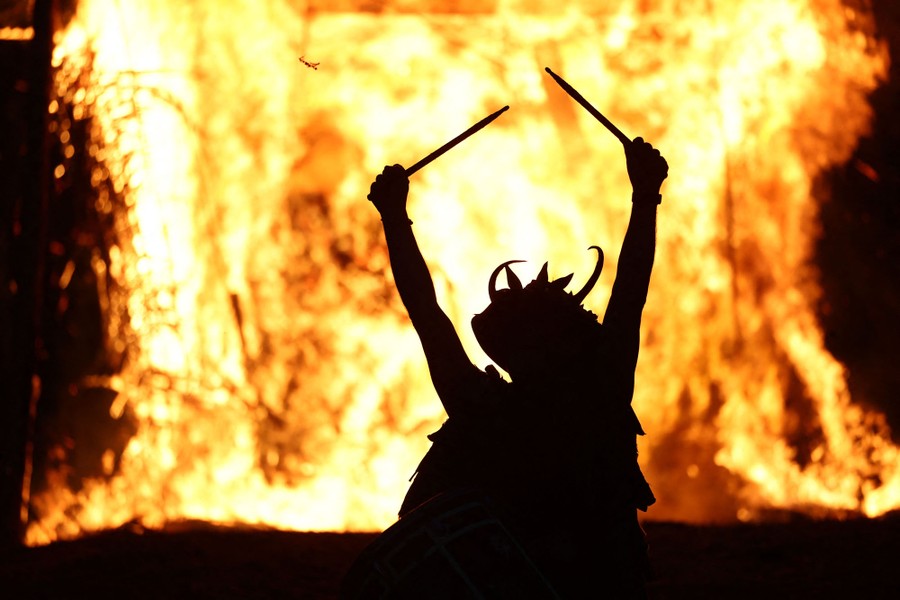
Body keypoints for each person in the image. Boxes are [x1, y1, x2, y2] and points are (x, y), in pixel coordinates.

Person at [366, 137, 668, 598]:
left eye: (521, 308)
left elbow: (630, 291)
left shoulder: (591, 394)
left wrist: (646, 197)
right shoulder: (570, 395)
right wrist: (644, 196)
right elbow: (426, 313)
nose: (504, 299)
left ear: (550, 341)